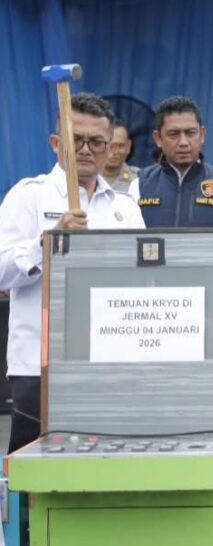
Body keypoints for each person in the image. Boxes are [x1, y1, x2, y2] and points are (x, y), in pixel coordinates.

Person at [0, 93, 145, 453]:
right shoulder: (28, 196)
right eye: (75, 139)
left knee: (105, 463)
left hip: (109, 362)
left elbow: (142, 282)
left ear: (111, 147)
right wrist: (47, 243)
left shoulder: (125, 208)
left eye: (96, 141)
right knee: (35, 470)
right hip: (41, 365)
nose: (85, 149)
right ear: (55, 143)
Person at [129, 96, 213, 229]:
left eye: (190, 133)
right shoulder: (139, 185)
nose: (183, 142)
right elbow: (131, 239)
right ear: (158, 138)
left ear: (202, 135)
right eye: (173, 134)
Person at [102, 119, 139, 193]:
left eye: (120, 146)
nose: (115, 152)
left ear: (128, 146)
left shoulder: (140, 179)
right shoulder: (86, 178)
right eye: (110, 146)